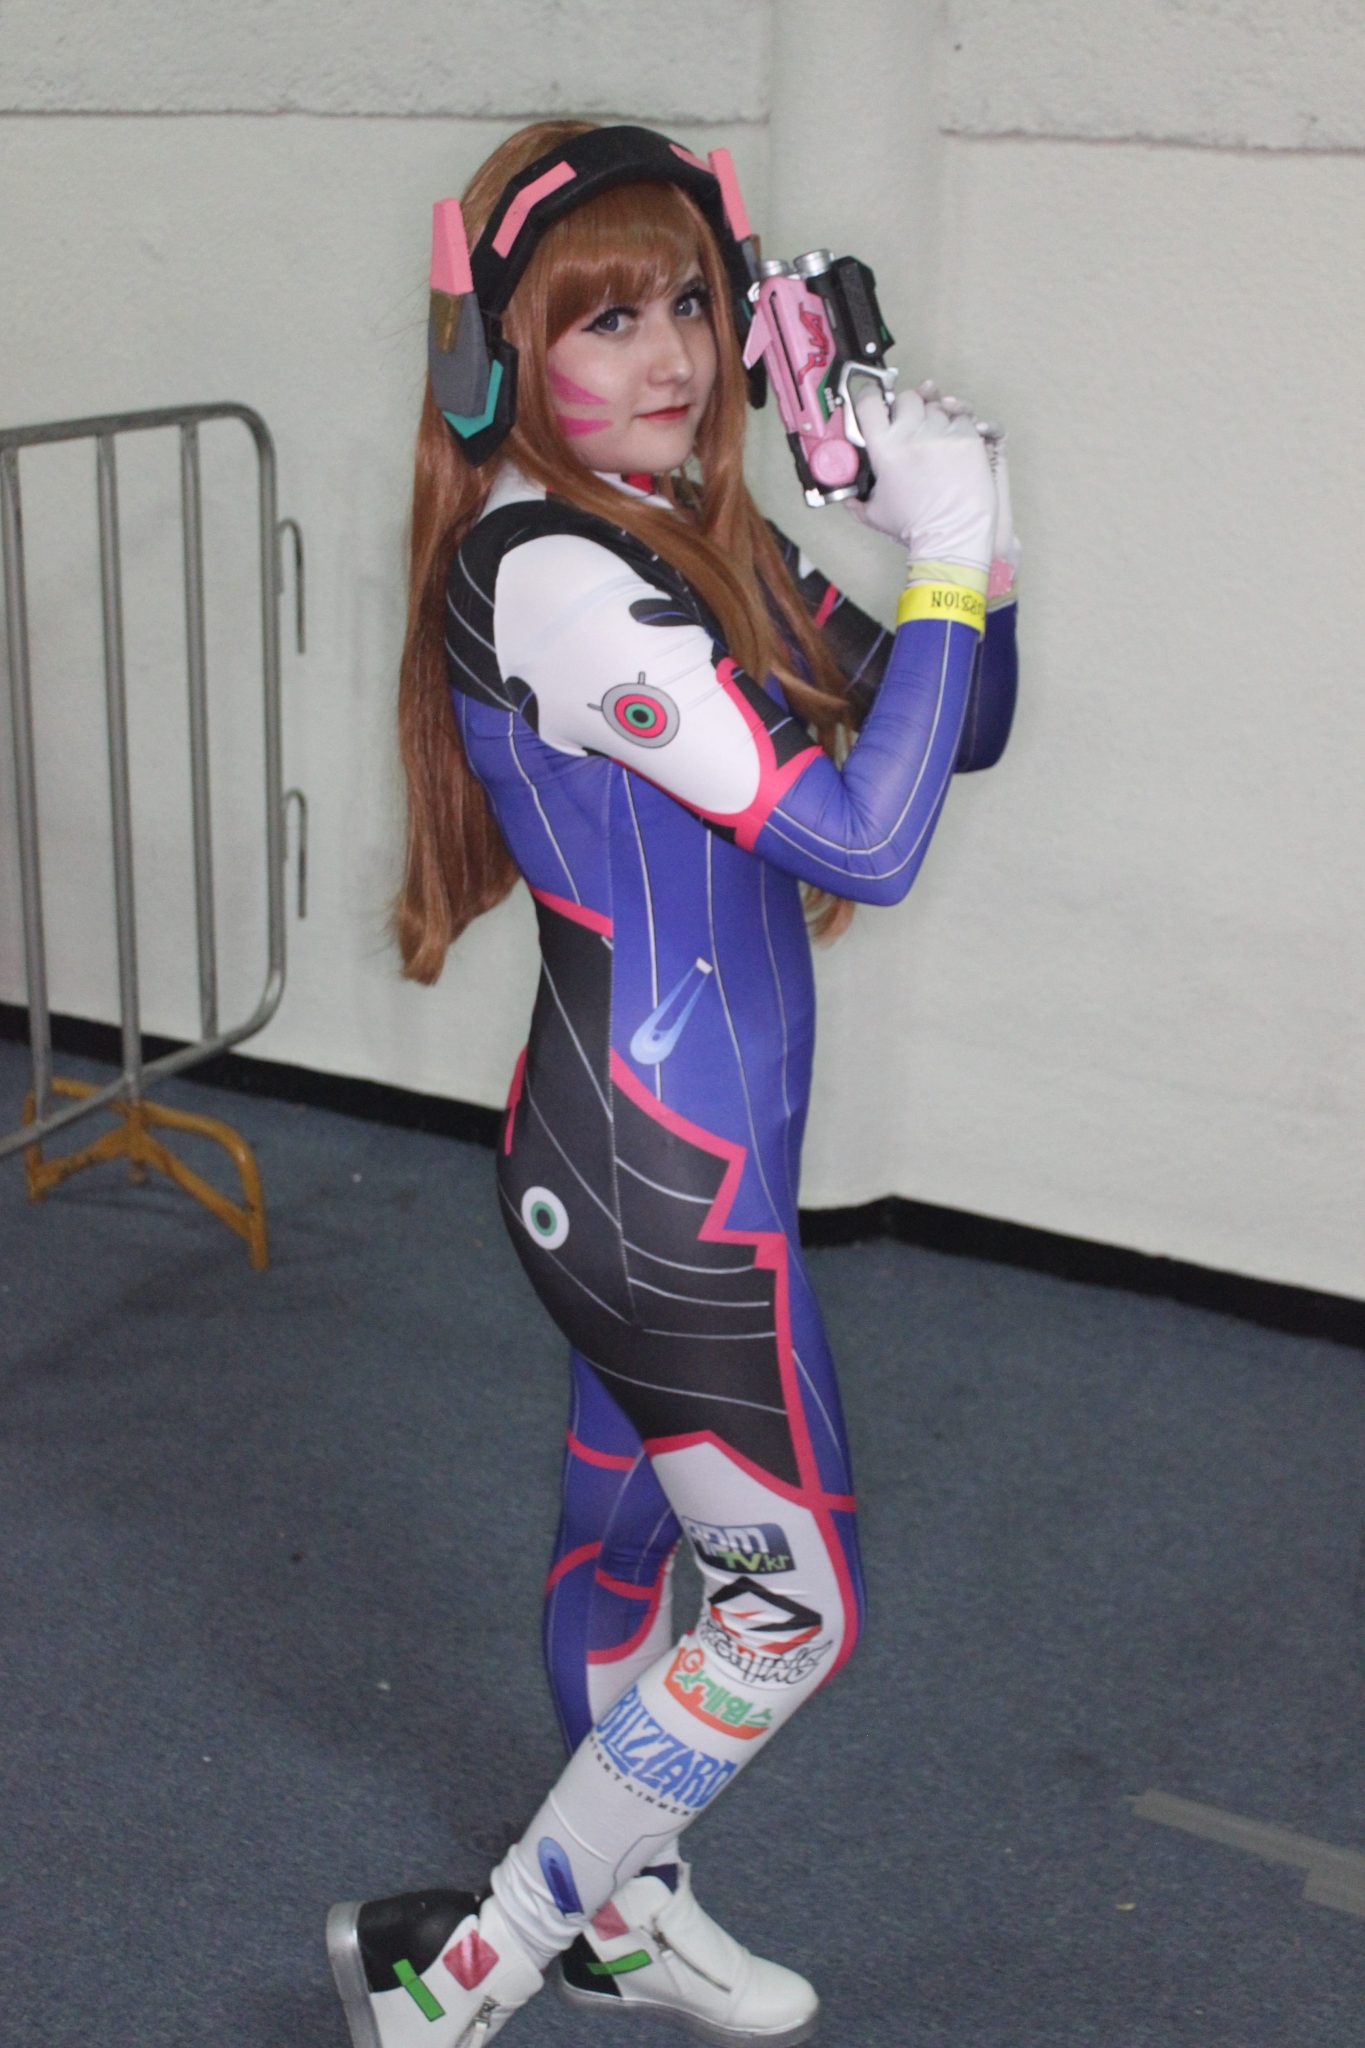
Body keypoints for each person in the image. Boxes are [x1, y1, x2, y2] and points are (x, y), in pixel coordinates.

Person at [328, 119, 1018, 2048]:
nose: (674, 357)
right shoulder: (551, 568)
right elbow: (862, 842)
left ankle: (626, 1915)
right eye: (607, 319)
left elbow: (955, 728)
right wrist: (942, 553)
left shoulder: (674, 527)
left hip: (656, 1158)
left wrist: (970, 542)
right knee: (793, 1609)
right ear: (502, 357)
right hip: (660, 1185)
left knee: (630, 1548)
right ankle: (473, 1966)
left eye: (692, 307)